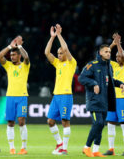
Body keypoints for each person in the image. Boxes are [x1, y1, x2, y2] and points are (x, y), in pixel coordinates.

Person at [78, 44, 124, 157]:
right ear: (100, 53)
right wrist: (93, 83)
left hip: (105, 101)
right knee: (98, 123)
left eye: (109, 52)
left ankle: (95, 150)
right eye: (106, 52)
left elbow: (109, 80)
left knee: (101, 125)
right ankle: (86, 147)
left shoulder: (108, 66)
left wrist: (120, 84)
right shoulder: (92, 65)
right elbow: (82, 78)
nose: (109, 53)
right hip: (94, 101)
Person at [44, 24, 77, 155]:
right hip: (56, 96)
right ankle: (59, 143)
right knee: (50, 121)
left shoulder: (71, 62)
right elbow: (46, 52)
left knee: (64, 121)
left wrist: (59, 34)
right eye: (57, 53)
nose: (58, 55)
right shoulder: (57, 63)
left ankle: (64, 149)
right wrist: (52, 38)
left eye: (60, 53)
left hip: (66, 95)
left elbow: (65, 48)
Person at [0, 36, 30, 155]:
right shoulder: (9, 65)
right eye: (11, 55)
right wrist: (10, 47)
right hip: (10, 97)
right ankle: (12, 148)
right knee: (10, 122)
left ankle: (23, 147)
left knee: (21, 121)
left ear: (19, 55)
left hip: (22, 96)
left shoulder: (25, 65)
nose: (12, 57)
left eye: (14, 55)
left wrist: (20, 46)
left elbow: (27, 57)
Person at [104, 33, 124, 156]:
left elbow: (122, 55)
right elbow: (104, 56)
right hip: (111, 99)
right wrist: (112, 44)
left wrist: (119, 44)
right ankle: (111, 149)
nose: (117, 58)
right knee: (110, 124)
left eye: (119, 56)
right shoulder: (114, 66)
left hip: (122, 99)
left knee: (123, 124)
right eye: (116, 56)